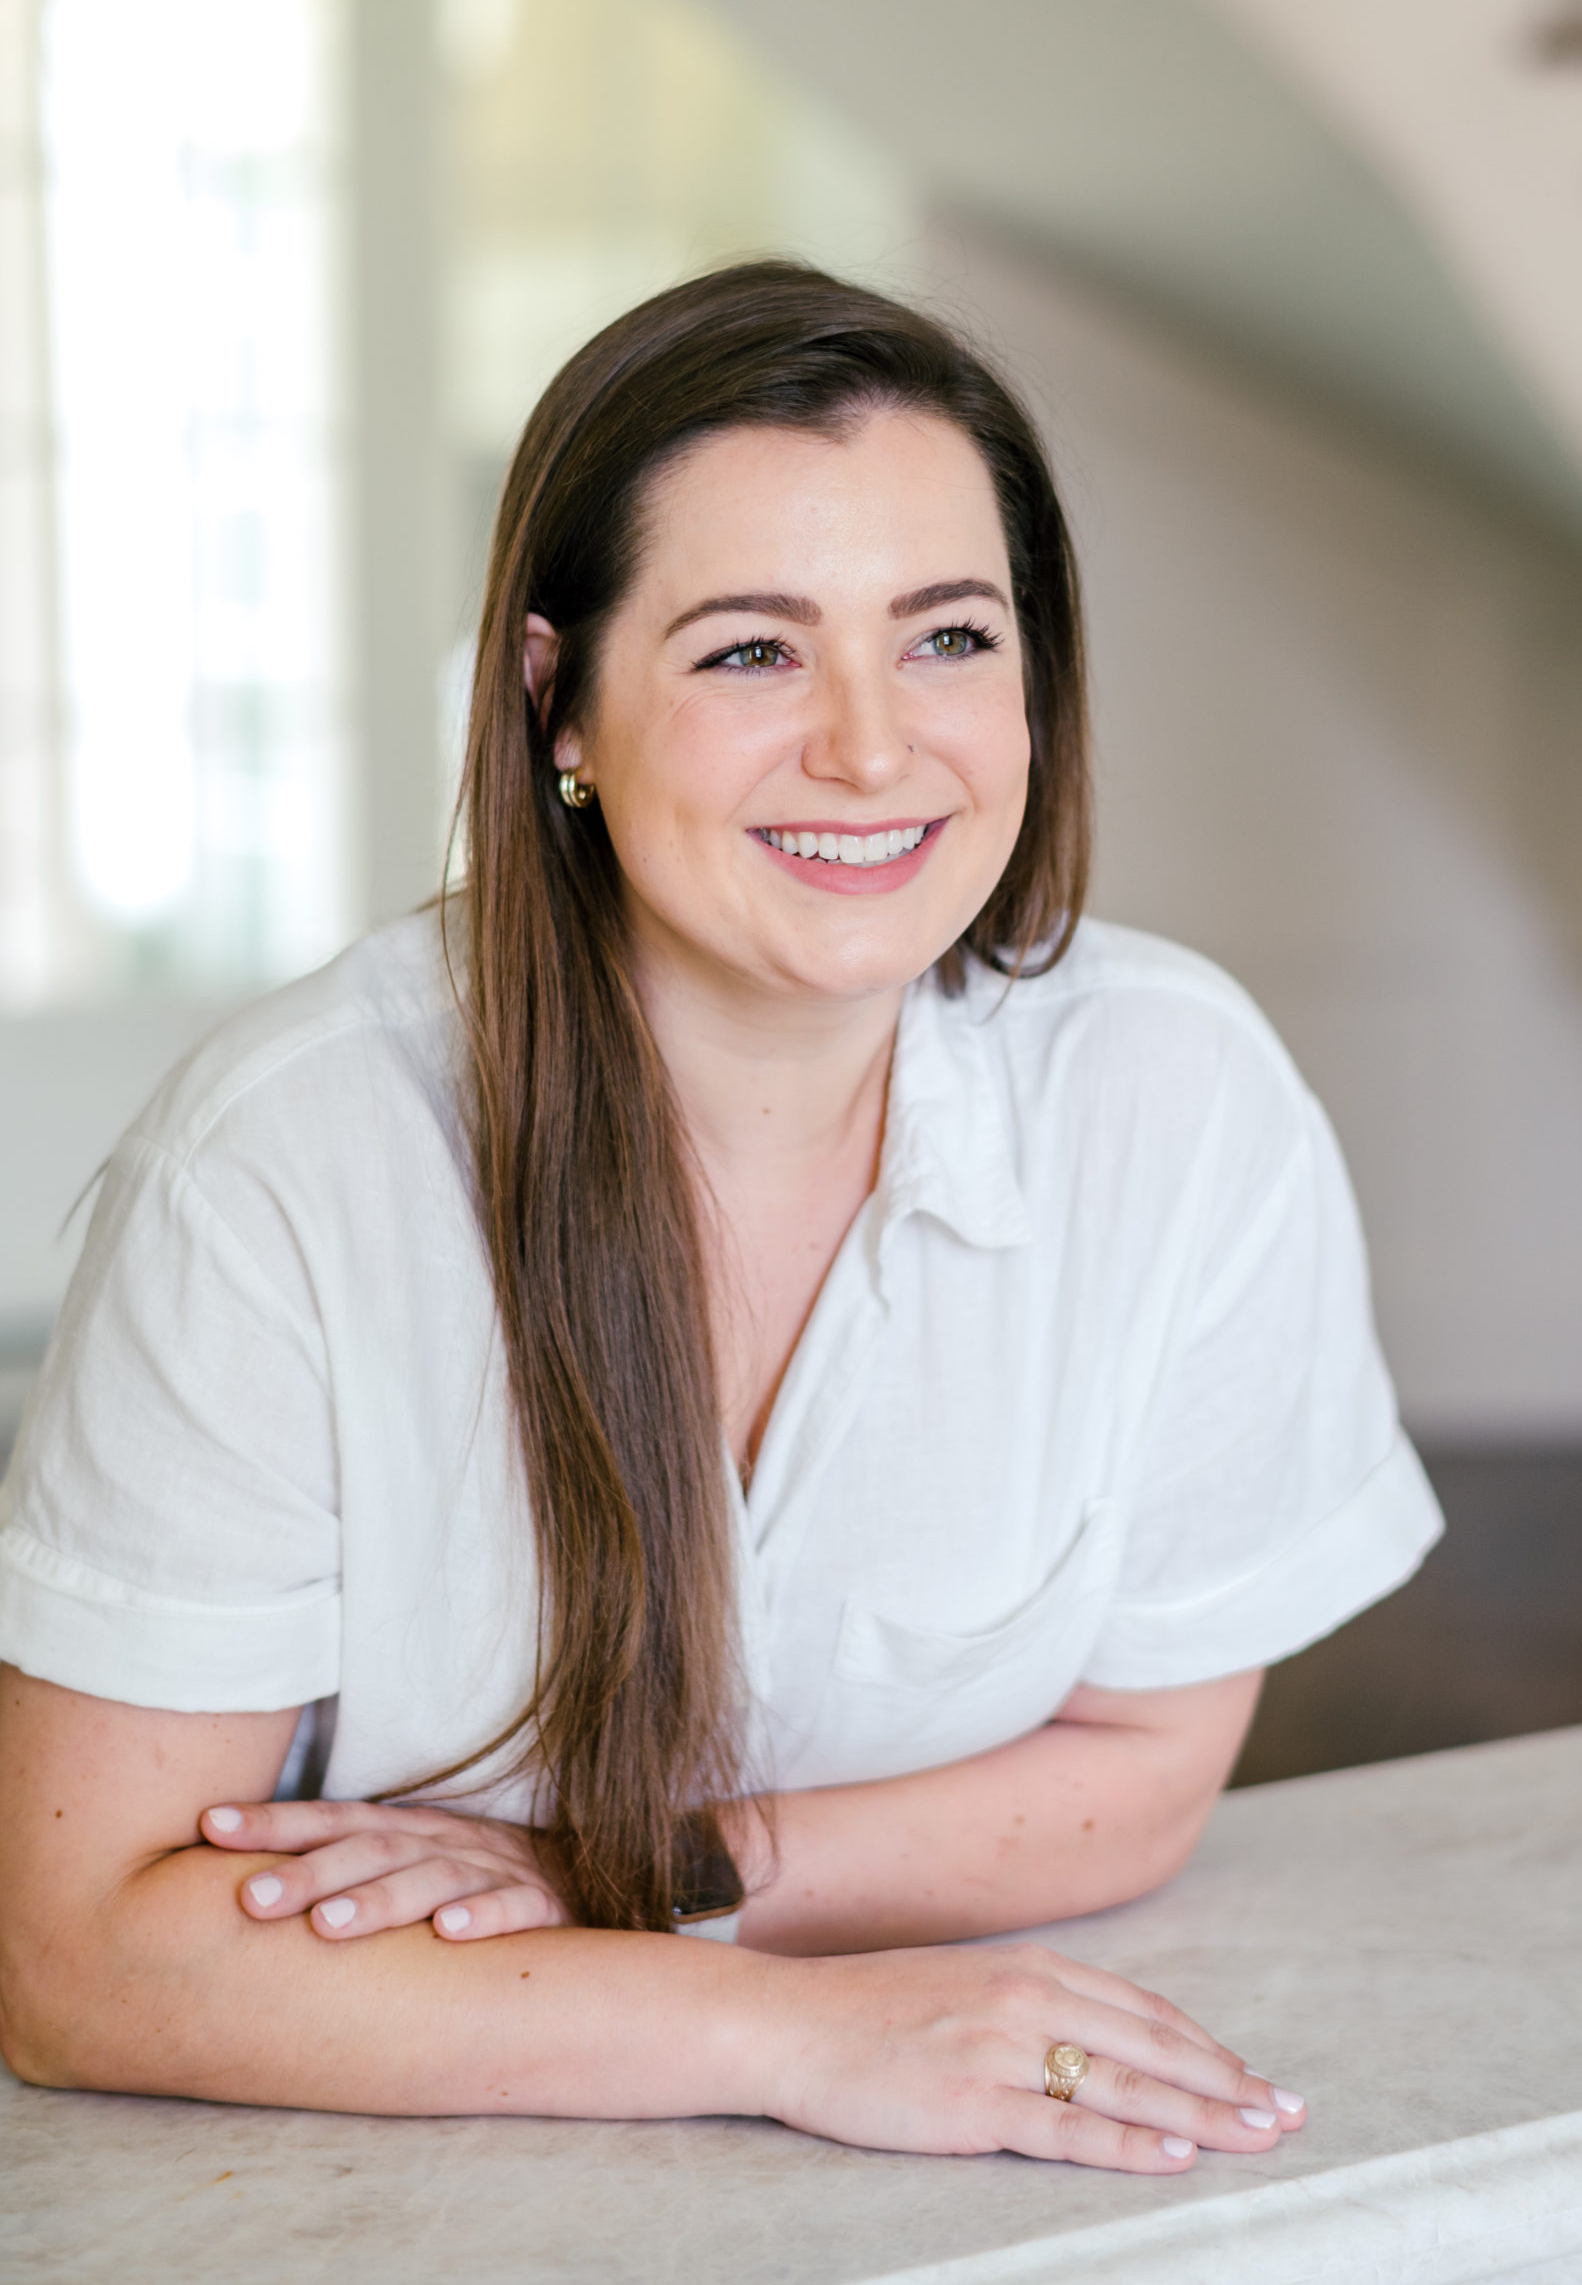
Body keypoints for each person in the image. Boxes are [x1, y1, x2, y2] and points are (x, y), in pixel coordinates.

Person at [0, 262, 1440, 2169]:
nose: (869, 746)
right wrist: (796, 2031)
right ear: (557, 703)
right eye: (753, 651)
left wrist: (630, 1876)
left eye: (948, 637)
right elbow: (82, 1953)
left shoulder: (1178, 1099)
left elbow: (1137, 1777)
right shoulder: (284, 1168)